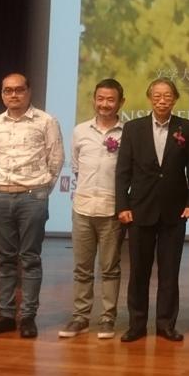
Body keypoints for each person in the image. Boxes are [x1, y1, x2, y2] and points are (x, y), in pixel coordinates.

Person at [0, 73, 64, 339]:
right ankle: (5, 314)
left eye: (18, 90)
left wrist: (40, 189)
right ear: (2, 94)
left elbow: (56, 159)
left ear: (29, 91)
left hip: (32, 196)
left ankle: (28, 316)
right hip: (0, 195)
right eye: (7, 91)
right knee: (3, 259)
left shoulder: (46, 121)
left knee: (30, 259)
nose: (13, 95)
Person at [115, 78, 189, 343]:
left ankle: (165, 324)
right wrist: (122, 205)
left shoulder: (186, 127)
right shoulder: (133, 128)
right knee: (139, 271)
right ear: (150, 98)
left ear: (174, 99)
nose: (162, 100)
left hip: (175, 211)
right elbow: (123, 171)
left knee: (169, 271)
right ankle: (137, 324)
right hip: (140, 209)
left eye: (167, 96)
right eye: (157, 95)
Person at [58, 79, 126, 340]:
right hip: (83, 208)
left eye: (111, 99)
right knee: (82, 267)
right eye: (100, 98)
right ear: (93, 100)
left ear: (121, 102)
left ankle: (108, 317)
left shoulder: (127, 133)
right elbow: (76, 166)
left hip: (111, 210)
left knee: (110, 267)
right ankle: (80, 316)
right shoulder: (80, 131)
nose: (105, 104)